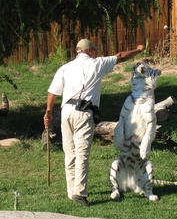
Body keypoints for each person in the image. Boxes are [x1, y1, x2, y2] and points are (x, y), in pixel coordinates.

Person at [43, 39, 144, 207]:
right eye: (93, 50)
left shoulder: (65, 68)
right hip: (84, 112)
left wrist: (48, 111)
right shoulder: (97, 64)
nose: (95, 52)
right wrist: (138, 50)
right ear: (89, 51)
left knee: (69, 151)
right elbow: (120, 56)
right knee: (82, 151)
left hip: (65, 111)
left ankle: (71, 190)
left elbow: (52, 92)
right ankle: (80, 192)